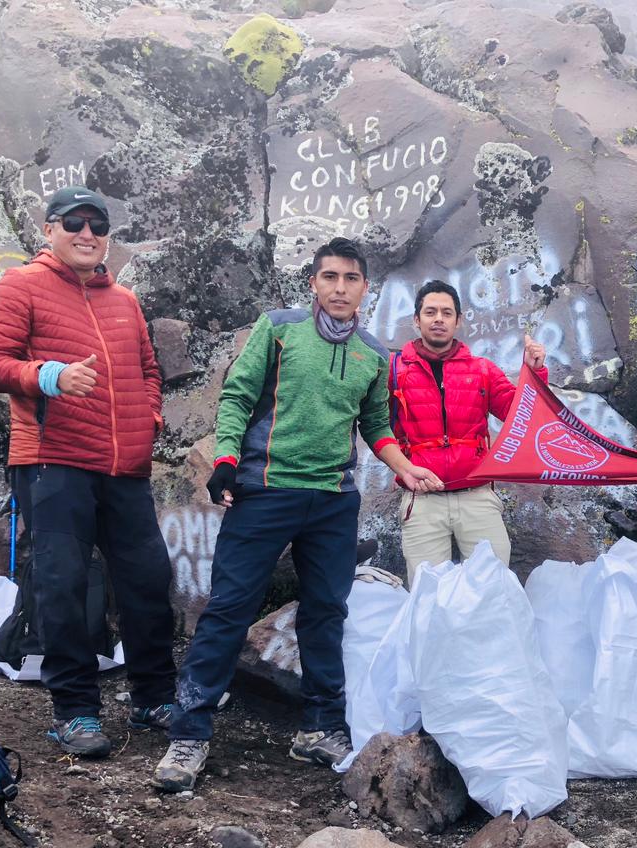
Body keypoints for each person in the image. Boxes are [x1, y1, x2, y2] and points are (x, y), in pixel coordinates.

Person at [152, 237, 442, 793]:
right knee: (230, 608)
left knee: (326, 613)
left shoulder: (374, 355)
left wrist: (403, 467)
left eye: (350, 279)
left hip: (333, 499)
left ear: (365, 288)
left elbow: (376, 426)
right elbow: (237, 395)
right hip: (266, 489)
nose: (339, 288)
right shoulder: (279, 328)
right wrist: (226, 460)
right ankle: (190, 731)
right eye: (329, 277)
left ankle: (320, 726)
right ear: (313, 282)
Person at [0, 185, 176, 759]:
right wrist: (50, 376)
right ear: (49, 229)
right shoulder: (21, 285)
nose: (87, 234)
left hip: (125, 466)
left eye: (98, 225)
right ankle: (75, 710)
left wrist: (150, 417)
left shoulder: (126, 302)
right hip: (52, 459)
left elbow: (148, 370)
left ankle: (154, 698)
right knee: (61, 585)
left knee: (146, 579)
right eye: (74, 223)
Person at [389, 279, 548, 585]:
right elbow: (375, 425)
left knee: (493, 589)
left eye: (447, 313)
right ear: (416, 319)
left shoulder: (482, 369)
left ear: (458, 321)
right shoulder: (395, 371)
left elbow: (522, 414)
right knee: (427, 597)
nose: (438, 319)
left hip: (477, 497)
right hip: (423, 501)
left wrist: (535, 371)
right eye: (430, 312)